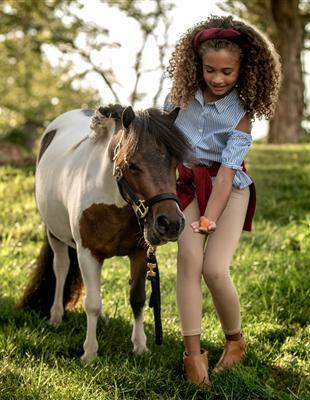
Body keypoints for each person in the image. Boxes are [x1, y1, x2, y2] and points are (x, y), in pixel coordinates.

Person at [164, 15, 281, 386]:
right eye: (210, 69)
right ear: (197, 65)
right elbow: (163, 146)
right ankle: (193, 353)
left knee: (214, 269)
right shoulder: (178, 99)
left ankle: (235, 342)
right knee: (188, 259)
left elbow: (227, 175)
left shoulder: (242, 117)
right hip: (186, 185)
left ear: (242, 70)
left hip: (228, 191)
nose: (217, 78)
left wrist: (209, 219)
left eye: (227, 72)